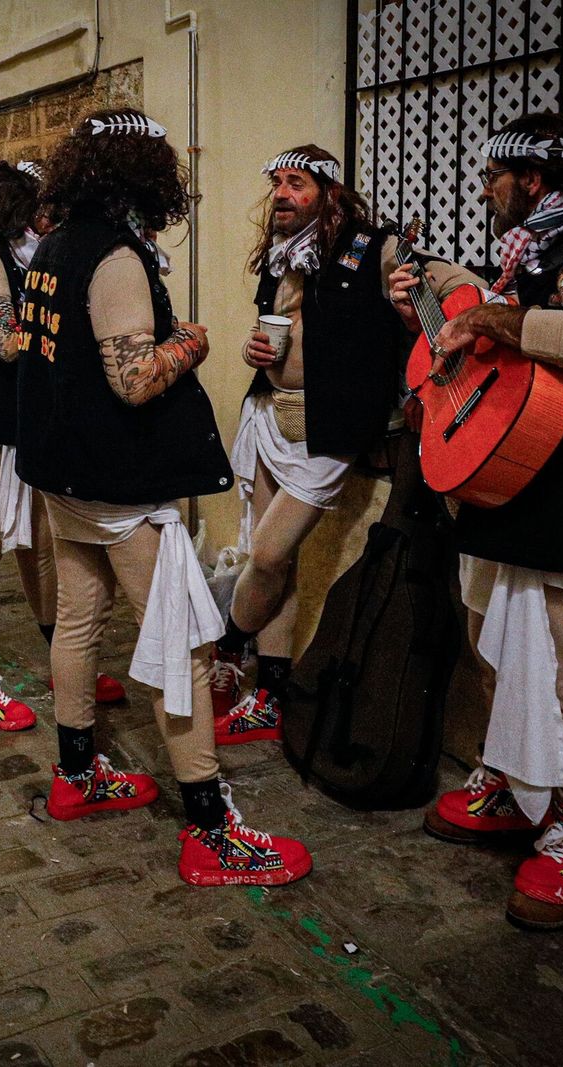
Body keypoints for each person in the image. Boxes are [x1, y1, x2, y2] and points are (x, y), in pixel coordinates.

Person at [390, 113, 563, 929]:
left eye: (494, 176)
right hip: (510, 489)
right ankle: (516, 785)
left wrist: (496, 321)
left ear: (535, 180)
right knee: (492, 643)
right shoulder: (529, 259)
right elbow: (496, 354)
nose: (485, 190)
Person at [16, 109, 311, 887]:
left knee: (80, 617)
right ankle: (211, 827)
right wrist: (195, 341)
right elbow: (135, 376)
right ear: (139, 173)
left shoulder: (53, 244)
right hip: (118, 485)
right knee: (182, 643)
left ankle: (77, 773)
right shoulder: (113, 258)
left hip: (64, 472)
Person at [209, 145, 480, 747]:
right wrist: (255, 351)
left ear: (330, 191)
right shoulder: (281, 254)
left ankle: (227, 643)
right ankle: (270, 694)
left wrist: (446, 311)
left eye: (297, 183)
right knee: (282, 564)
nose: (282, 193)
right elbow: (278, 330)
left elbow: (453, 284)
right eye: (277, 182)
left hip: (329, 433)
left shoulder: (378, 247)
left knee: (269, 557)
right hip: (272, 415)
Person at [0, 161, 126, 731]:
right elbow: (5, 343)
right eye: (45, 210)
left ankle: (58, 661)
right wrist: (63, 322)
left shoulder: (12, 253)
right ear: (24, 206)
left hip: (14, 427)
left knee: (38, 547)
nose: (51, 221)